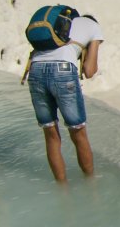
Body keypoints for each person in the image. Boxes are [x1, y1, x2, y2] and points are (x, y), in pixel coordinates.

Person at [26, 13, 103, 182]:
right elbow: (89, 71)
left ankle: (63, 190)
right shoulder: (95, 28)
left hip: (36, 69)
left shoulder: (63, 25)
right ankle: (91, 187)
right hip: (62, 71)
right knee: (78, 134)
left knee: (51, 135)